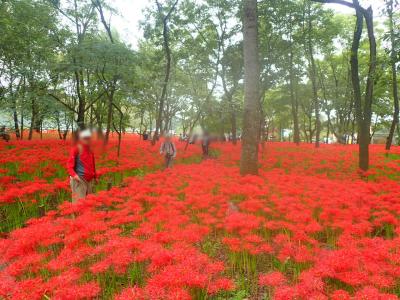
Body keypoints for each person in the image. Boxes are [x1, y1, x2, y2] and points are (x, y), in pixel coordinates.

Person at [67, 129, 97, 202]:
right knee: (79, 204)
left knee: (88, 203)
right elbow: (69, 165)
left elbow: (92, 164)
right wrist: (74, 175)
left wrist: (95, 176)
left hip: (89, 180)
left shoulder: (90, 149)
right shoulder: (76, 148)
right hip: (79, 179)